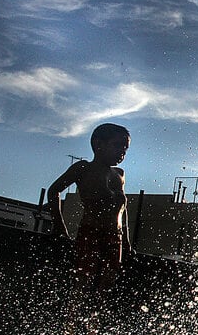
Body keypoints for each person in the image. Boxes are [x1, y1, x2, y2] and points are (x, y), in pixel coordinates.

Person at [47, 123, 133, 309]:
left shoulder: (119, 174)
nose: (122, 152)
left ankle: (91, 331)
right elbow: (54, 191)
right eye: (117, 145)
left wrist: (126, 242)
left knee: (105, 291)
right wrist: (60, 227)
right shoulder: (83, 168)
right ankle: (69, 330)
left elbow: (122, 210)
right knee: (82, 286)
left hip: (115, 239)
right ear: (98, 144)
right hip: (90, 233)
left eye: (125, 148)